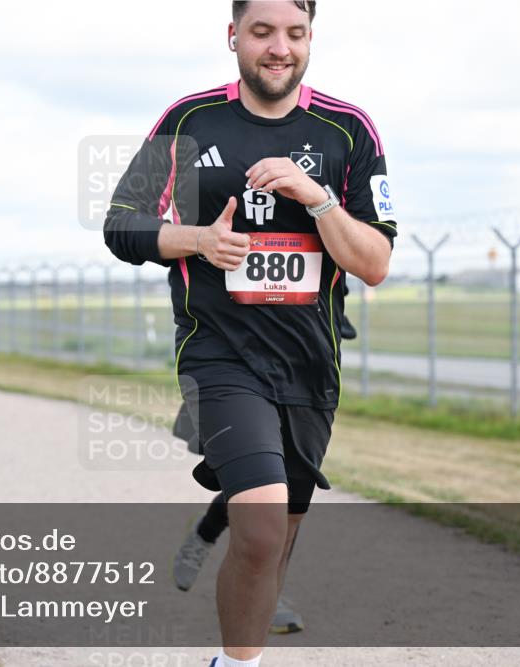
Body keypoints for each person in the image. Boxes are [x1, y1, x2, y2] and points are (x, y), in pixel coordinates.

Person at [102, 2, 396, 665]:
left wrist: (316, 197)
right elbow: (121, 224)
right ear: (233, 35)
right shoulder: (189, 120)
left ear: (311, 39)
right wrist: (199, 240)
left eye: (295, 33)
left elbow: (374, 262)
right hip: (219, 354)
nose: (278, 47)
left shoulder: (347, 130)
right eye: (262, 31)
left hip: (310, 366)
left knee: (274, 540)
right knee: (261, 528)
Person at [171, 287, 359, 634]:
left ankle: (251, 576)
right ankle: (233, 563)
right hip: (230, 354)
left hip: (302, 363)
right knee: (257, 478)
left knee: (282, 490)